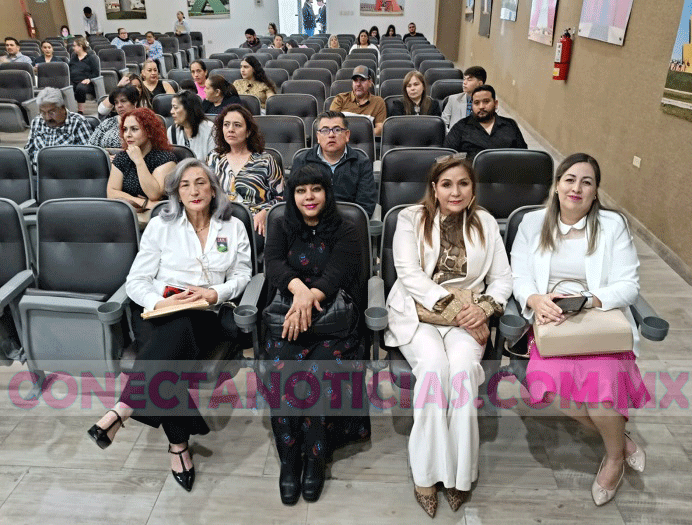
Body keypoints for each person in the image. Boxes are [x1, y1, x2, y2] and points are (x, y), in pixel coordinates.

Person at [88, 158, 252, 493]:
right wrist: (160, 302)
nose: (194, 191)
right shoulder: (161, 225)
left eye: (201, 182)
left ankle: (126, 407)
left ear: (213, 188)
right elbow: (136, 281)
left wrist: (215, 292)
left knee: (180, 329)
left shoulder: (232, 225)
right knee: (171, 344)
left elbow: (242, 274)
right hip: (158, 312)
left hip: (206, 313)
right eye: (185, 185)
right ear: (176, 192)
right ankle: (177, 445)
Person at [510, 153, 651, 507]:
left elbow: (628, 285)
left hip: (599, 323)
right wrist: (535, 298)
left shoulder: (612, 225)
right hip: (552, 323)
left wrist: (587, 301)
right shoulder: (532, 223)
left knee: (602, 391)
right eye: (570, 179)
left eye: (586, 182)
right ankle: (622, 440)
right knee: (549, 387)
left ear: (595, 191)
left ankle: (614, 459)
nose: (577, 188)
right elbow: (519, 276)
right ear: (557, 185)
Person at [384, 154, 512, 517]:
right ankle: (426, 475)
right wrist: (458, 311)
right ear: (434, 188)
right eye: (447, 184)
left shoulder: (485, 222)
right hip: (419, 312)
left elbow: (502, 279)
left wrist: (484, 309)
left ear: (473, 189)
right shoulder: (410, 218)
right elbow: (409, 274)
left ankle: (460, 474)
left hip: (470, 316)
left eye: (463, 184)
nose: (455, 192)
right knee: (433, 371)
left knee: (462, 374)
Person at [264, 163, 370, 505]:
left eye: (316, 189)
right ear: (292, 195)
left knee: (320, 371)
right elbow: (274, 265)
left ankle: (314, 459)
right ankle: (289, 459)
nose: (308, 197)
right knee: (283, 369)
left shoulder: (346, 228)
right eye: (300, 190)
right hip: (291, 315)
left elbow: (337, 273)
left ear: (327, 192)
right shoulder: (281, 225)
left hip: (332, 320)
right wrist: (299, 292)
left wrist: (309, 298)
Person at [207, 104, 283, 250]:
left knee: (244, 247)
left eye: (237, 125)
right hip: (221, 220)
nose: (230, 129)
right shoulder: (214, 158)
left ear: (248, 132)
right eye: (226, 124)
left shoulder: (265, 160)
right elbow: (208, 193)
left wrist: (265, 212)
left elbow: (281, 197)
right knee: (220, 250)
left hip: (254, 221)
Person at [291, 111, 377, 217]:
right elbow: (291, 201)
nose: (331, 135)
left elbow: (366, 206)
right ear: (318, 137)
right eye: (325, 130)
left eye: (337, 130)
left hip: (348, 223)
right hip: (310, 221)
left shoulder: (361, 163)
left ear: (347, 135)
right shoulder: (302, 161)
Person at [107, 108, 177, 210]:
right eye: (125, 129)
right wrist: (142, 202)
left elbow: (153, 194)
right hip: (129, 211)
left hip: (156, 213)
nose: (128, 134)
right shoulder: (122, 157)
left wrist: (139, 161)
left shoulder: (165, 158)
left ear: (149, 132)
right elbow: (111, 192)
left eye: (134, 129)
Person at [444, 85, 527, 160]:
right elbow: (447, 157)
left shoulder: (510, 125)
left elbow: (523, 157)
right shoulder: (461, 127)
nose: (481, 107)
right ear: (472, 105)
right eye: (476, 103)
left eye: (486, 101)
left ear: (495, 104)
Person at [24, 87, 91, 173]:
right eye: (43, 112)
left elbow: (89, 156)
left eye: (51, 112)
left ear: (62, 108)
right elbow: (29, 151)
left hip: (68, 174)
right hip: (39, 174)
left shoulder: (78, 122)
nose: (47, 117)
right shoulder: (37, 122)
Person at [330, 65, 386, 136]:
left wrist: (359, 136)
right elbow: (332, 124)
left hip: (366, 141)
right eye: (355, 80)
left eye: (362, 80)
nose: (358, 84)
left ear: (370, 82)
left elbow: (380, 129)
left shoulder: (378, 102)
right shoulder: (340, 99)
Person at [168, 90, 215, 161]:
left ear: (189, 109)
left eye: (175, 107)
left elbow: (213, 162)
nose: (171, 111)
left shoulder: (210, 129)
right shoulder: (172, 131)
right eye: (172, 107)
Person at [442, 66, 486, 130]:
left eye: (469, 80)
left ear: (480, 83)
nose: (464, 82)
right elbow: (443, 124)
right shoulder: (453, 99)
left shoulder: (490, 103)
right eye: (464, 79)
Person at [69, 36, 100, 114]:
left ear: (80, 46)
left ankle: (80, 111)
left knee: (80, 88)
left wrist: (89, 79)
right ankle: (68, 110)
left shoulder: (91, 58)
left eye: (75, 46)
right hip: (73, 80)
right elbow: (69, 70)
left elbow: (96, 73)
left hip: (87, 82)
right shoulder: (73, 58)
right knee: (66, 87)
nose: (73, 48)